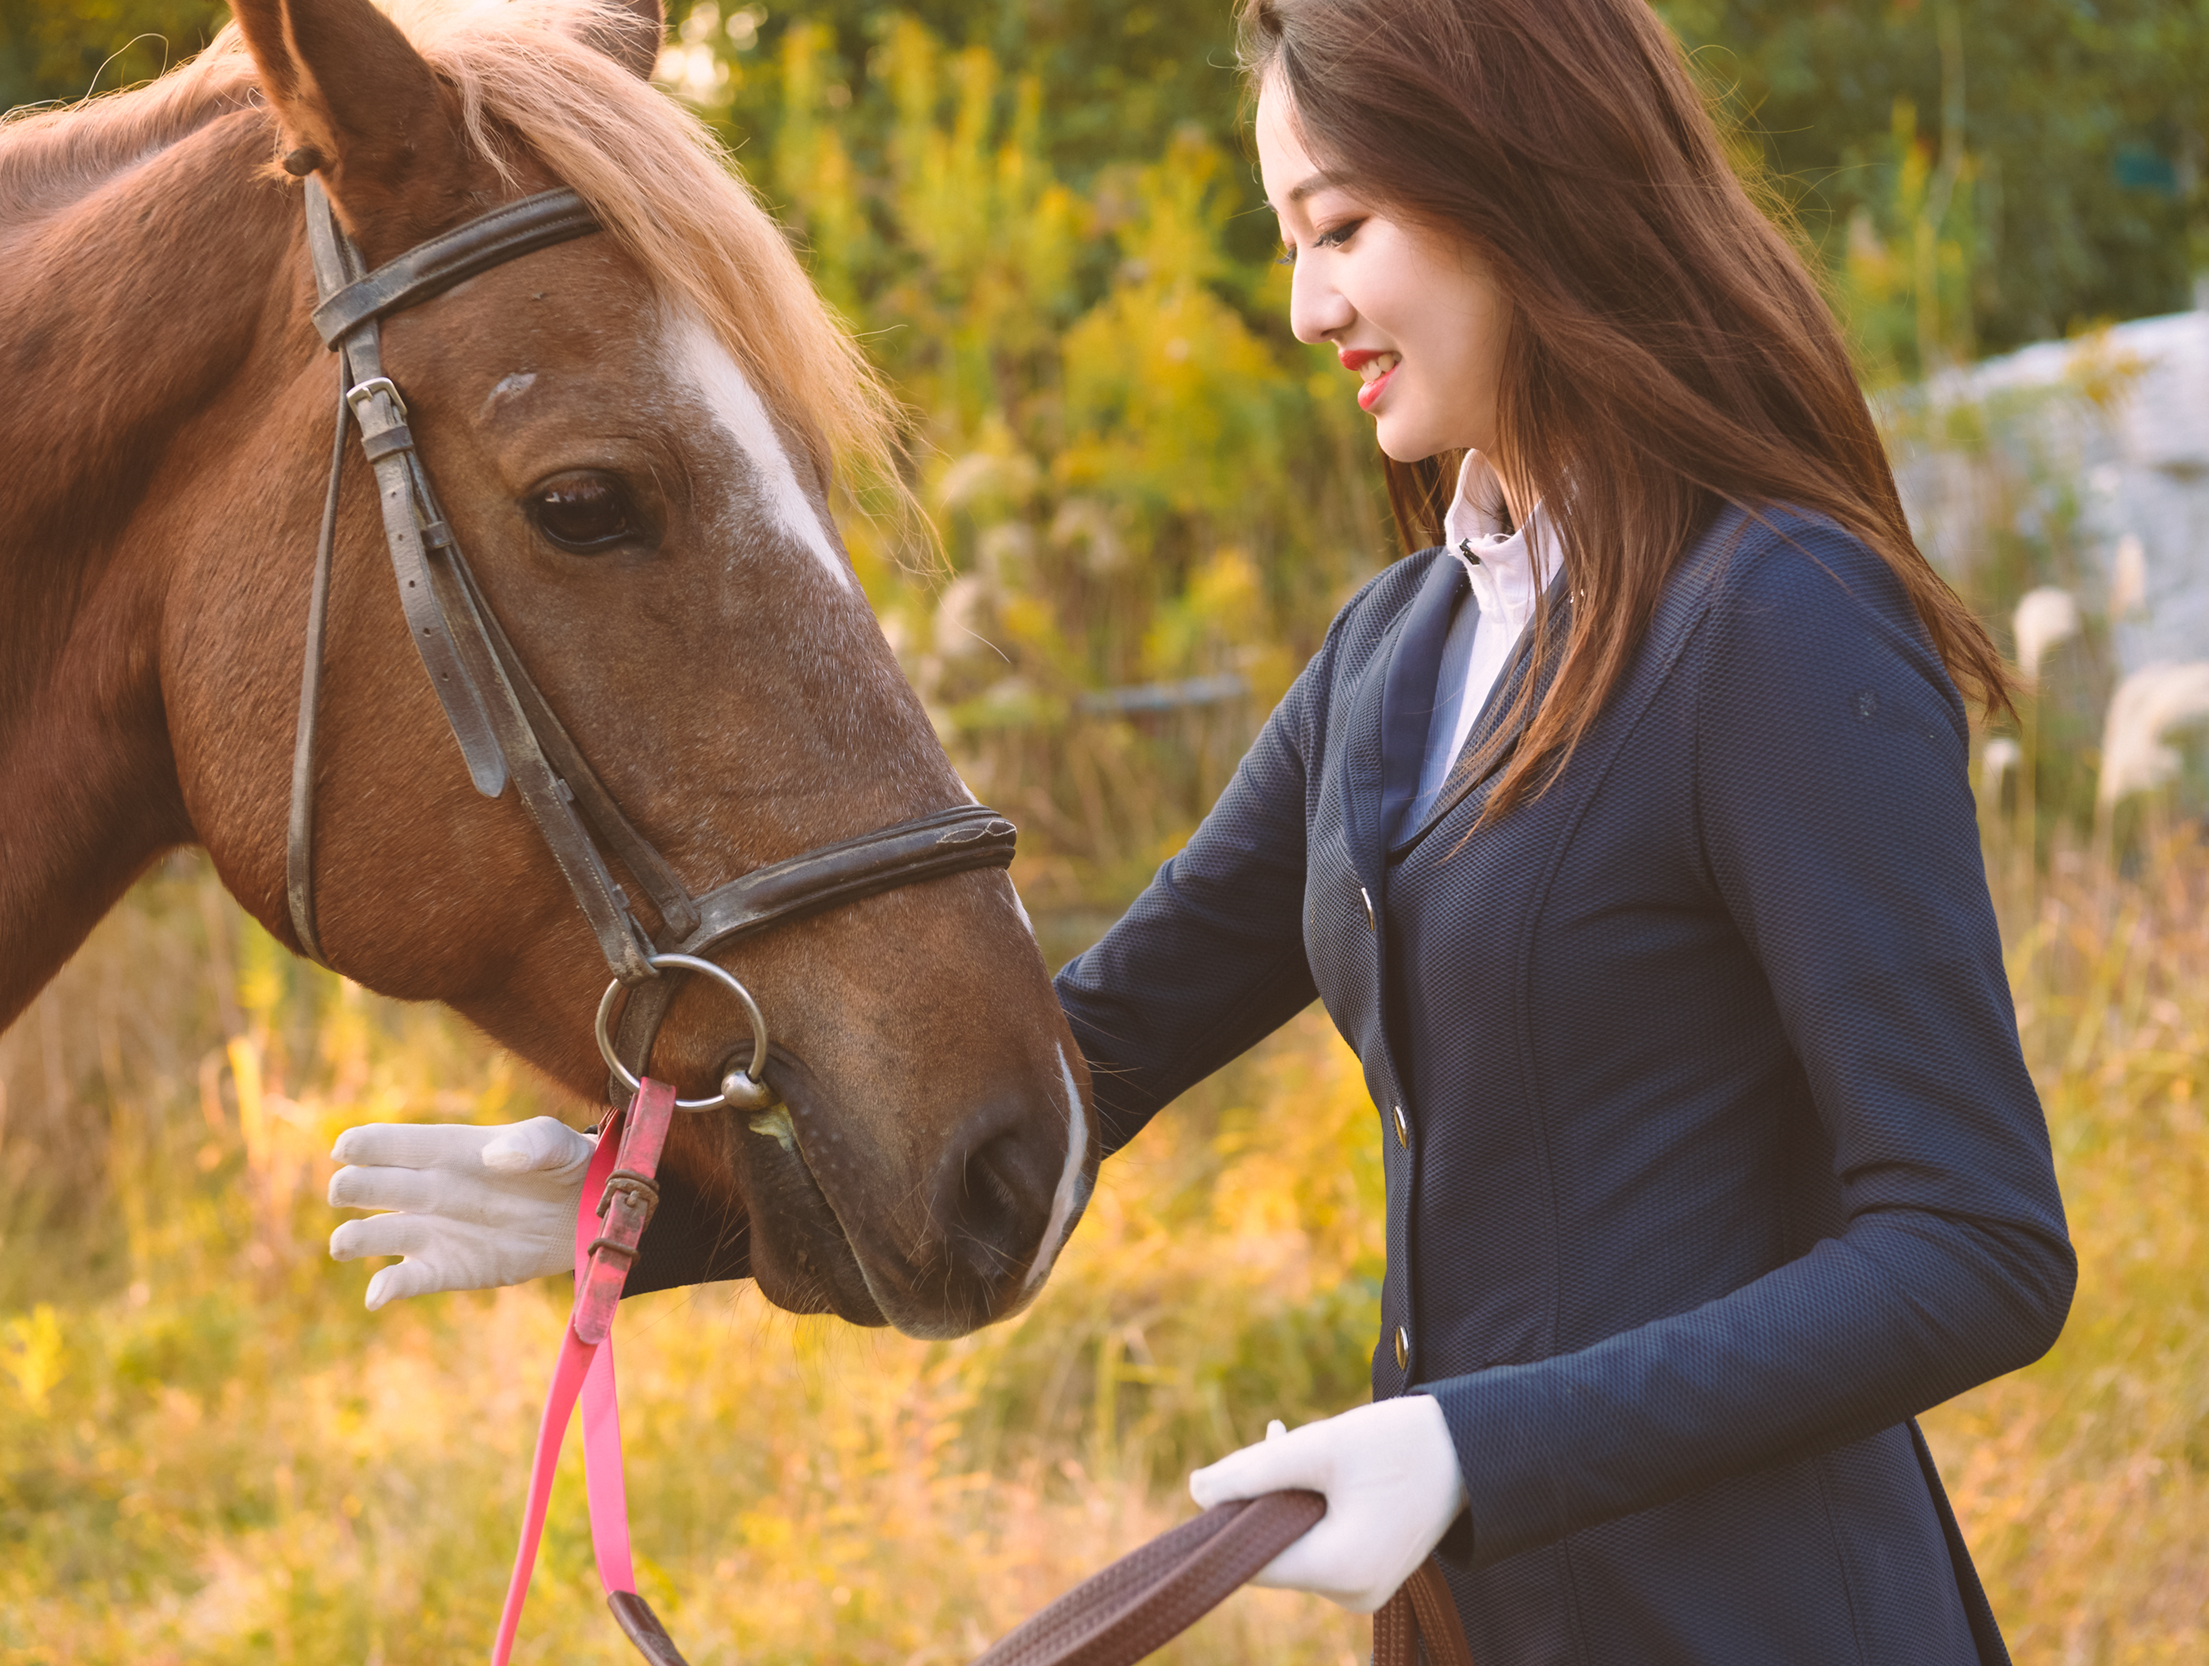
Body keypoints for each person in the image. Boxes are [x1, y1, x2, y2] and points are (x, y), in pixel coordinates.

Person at [326, 0, 2075, 1655]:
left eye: (1342, 225)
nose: (1309, 306)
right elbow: (1086, 1058)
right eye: (1289, 238)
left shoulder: (1777, 621)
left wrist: (1476, 1447)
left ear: (1525, 182)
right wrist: (653, 1207)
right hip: (1477, 1625)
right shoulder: (1394, 660)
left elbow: (1974, 1243)